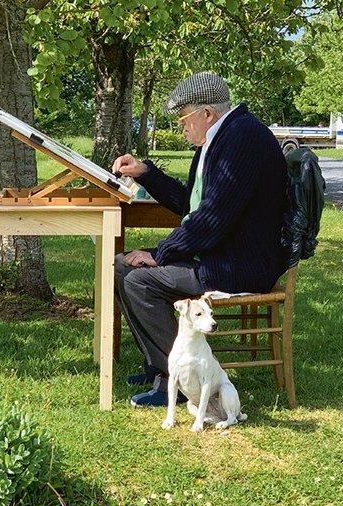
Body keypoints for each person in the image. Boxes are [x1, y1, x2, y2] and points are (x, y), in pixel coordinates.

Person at [111, 71, 288, 407]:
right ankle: (160, 368)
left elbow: (212, 220)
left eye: (183, 119)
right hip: (219, 253)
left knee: (139, 282)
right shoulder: (220, 138)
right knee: (122, 266)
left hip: (239, 264)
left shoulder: (243, 139)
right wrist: (146, 173)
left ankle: (174, 384)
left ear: (207, 113)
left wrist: (161, 253)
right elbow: (190, 202)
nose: (182, 127)